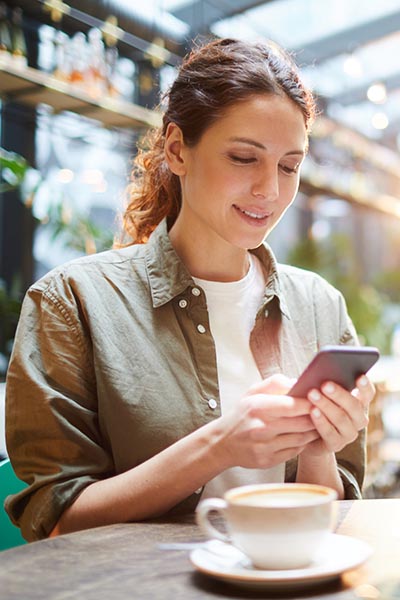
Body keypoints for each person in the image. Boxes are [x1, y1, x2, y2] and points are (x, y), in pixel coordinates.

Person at [5, 37, 374, 542]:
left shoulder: (319, 305)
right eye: (245, 158)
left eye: (290, 165)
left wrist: (318, 445)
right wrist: (221, 444)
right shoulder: (73, 302)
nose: (270, 190)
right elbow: (55, 522)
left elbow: (332, 513)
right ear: (178, 150)